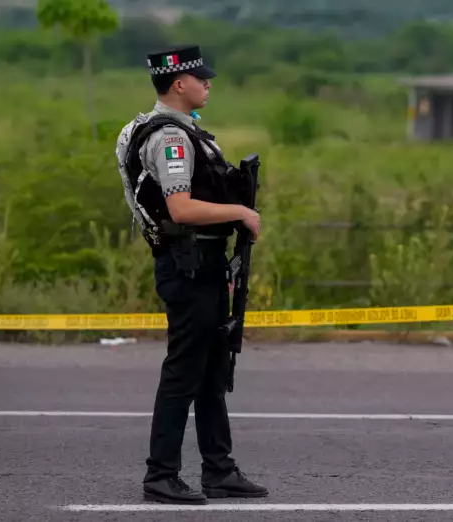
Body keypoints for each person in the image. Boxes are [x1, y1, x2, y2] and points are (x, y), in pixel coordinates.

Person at [114, 45, 267, 505]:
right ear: (179, 84)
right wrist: (240, 209)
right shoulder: (171, 138)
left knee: (212, 369)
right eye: (202, 79)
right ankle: (160, 475)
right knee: (184, 372)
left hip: (203, 263)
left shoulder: (162, 129)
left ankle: (219, 470)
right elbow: (180, 208)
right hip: (190, 264)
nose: (208, 84)